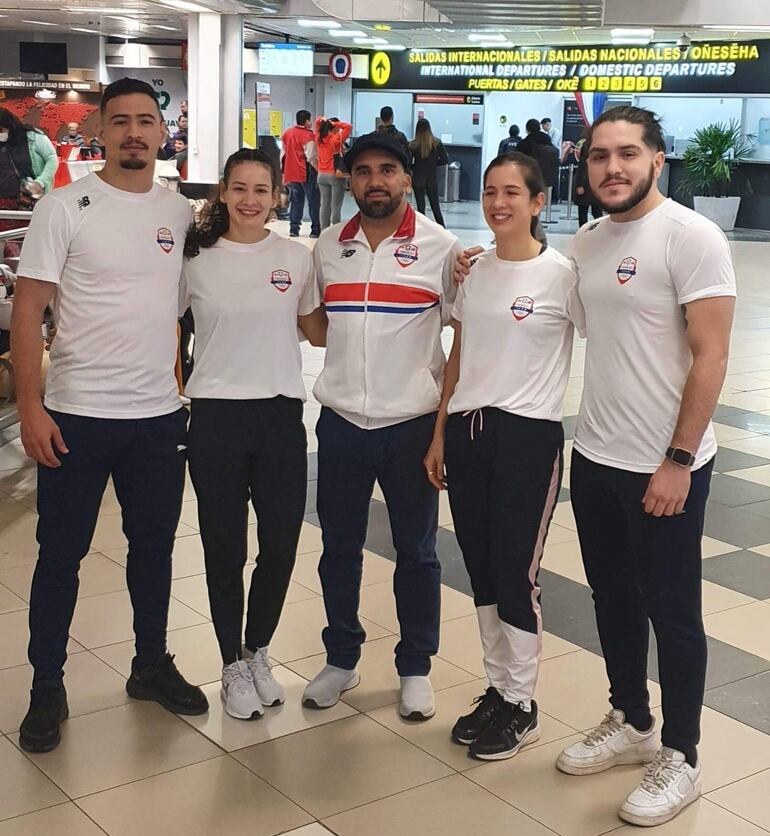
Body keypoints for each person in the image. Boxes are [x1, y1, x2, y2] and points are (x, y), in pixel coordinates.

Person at [11, 77, 208, 755]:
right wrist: (30, 408)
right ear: (98, 129)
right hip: (75, 416)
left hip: (156, 418)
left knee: (153, 551)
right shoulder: (66, 206)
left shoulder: (180, 214)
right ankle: (45, 685)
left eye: (145, 121)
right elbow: (28, 309)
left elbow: (192, 307)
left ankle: (149, 664)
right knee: (59, 555)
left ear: (162, 132)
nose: (132, 132)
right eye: (119, 120)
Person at [554, 105, 736, 827]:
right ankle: (632, 721)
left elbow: (712, 354)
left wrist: (678, 460)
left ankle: (682, 755)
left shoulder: (692, 236)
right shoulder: (590, 240)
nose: (613, 168)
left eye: (628, 154)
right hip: (595, 454)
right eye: (600, 156)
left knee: (674, 612)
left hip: (665, 465)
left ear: (657, 158)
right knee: (612, 599)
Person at [425, 152, 582, 761]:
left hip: (527, 438)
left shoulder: (562, 275)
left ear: (538, 202)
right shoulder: (475, 270)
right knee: (482, 569)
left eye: (512, 192)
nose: (497, 203)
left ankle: (522, 702)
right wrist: (439, 432)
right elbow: (459, 354)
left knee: (517, 573)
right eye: (490, 191)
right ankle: (497, 688)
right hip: (467, 431)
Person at [302, 132, 463, 721]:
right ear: (348, 178)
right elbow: (317, 328)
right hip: (341, 423)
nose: (375, 181)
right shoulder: (326, 247)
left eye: (388, 170)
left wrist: (442, 427)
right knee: (337, 548)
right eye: (364, 171)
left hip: (412, 427)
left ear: (405, 177)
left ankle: (415, 666)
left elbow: (463, 337)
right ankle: (342, 658)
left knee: (417, 551)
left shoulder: (441, 248)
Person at [182, 148, 327, 720]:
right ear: (223, 192)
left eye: (261, 190)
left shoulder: (295, 256)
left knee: (281, 543)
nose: (249, 200)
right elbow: (162, 323)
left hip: (279, 416)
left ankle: (257, 648)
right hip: (215, 416)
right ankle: (229, 663)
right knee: (224, 547)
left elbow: (316, 330)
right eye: (239, 188)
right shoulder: (194, 260)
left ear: (277, 195)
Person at [0, 108, 57, 259]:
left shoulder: (32, 136)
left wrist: (41, 181)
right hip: (4, 204)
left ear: (9, 124)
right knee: (6, 246)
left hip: (28, 200)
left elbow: (52, 158)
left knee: (30, 242)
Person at [281, 109, 320, 238]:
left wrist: (284, 171)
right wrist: (318, 169)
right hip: (306, 171)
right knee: (313, 201)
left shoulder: (287, 133)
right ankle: (315, 229)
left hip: (292, 171)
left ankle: (294, 229)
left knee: (296, 201)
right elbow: (311, 156)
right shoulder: (308, 135)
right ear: (307, 121)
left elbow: (283, 154)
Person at [409, 118, 448, 228]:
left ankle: (423, 232)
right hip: (431, 178)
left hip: (418, 178)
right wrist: (434, 164)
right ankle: (443, 230)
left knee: (421, 208)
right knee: (435, 207)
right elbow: (445, 160)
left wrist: (414, 167)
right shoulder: (437, 143)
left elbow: (407, 162)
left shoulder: (413, 145)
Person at [315, 116, 352, 230]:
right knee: (336, 206)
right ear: (333, 127)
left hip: (321, 175)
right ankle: (335, 232)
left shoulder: (318, 138)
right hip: (335, 175)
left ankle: (324, 231)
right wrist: (337, 124)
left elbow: (317, 122)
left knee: (324, 205)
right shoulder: (336, 139)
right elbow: (349, 127)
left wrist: (325, 121)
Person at [573, 138, 603, 227]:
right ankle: (597, 230)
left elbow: (582, 165)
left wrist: (580, 184)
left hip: (589, 182)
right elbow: (583, 165)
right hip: (592, 182)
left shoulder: (589, 144)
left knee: (588, 211)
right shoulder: (593, 144)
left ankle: (588, 231)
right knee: (595, 211)